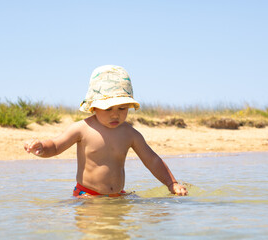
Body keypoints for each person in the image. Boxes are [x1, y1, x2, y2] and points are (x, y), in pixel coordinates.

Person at [24, 65, 188, 197]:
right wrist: (41, 147)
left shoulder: (129, 133)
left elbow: (152, 160)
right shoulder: (82, 129)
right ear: (94, 106)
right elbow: (55, 145)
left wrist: (171, 183)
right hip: (87, 195)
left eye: (122, 108)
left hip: (117, 195)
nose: (115, 114)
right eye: (108, 108)